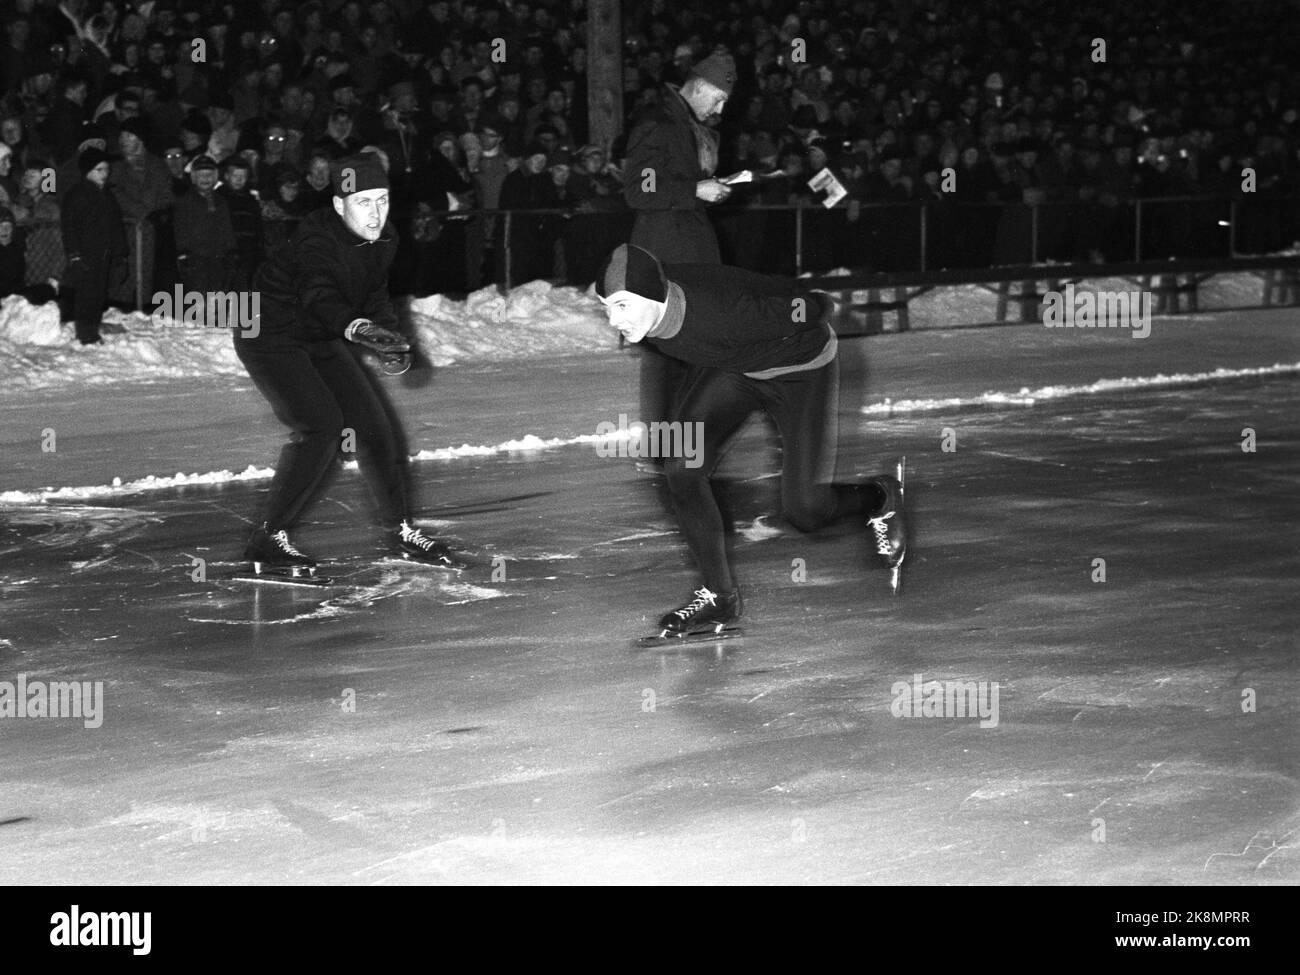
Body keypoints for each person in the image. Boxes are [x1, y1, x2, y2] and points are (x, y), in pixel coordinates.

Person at [594, 244, 908, 637]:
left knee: (806, 511)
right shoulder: (654, 308)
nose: (613, 320)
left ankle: (879, 496)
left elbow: (807, 307)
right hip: (737, 370)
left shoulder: (724, 315)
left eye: (621, 305)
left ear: (653, 294)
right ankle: (718, 597)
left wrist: (812, 303)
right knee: (683, 467)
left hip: (799, 372)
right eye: (606, 306)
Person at [235, 153, 463, 577]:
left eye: (382, 200)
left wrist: (391, 339)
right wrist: (359, 330)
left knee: (375, 427)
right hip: (270, 334)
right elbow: (320, 296)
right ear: (340, 205)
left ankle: (399, 529)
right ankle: (267, 539)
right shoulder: (316, 241)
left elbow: (374, 293)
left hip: (321, 335)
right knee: (323, 427)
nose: (375, 213)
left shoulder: (385, 238)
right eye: (363, 202)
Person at [623, 52, 737, 460]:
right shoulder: (659, 124)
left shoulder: (684, 126)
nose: (720, 109)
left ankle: (674, 446)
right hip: (667, 260)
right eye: (719, 99)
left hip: (685, 259)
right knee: (667, 357)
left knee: (681, 356)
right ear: (701, 86)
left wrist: (705, 186)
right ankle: (664, 448)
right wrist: (694, 190)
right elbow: (639, 188)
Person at [60, 147, 127, 345]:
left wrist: (120, 253)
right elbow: (69, 227)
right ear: (87, 171)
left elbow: (116, 226)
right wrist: (74, 254)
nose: (104, 174)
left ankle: (94, 324)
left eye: (106, 169)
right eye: (99, 170)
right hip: (86, 254)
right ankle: (86, 332)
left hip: (104, 253)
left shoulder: (107, 195)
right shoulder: (77, 195)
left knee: (99, 292)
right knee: (86, 294)